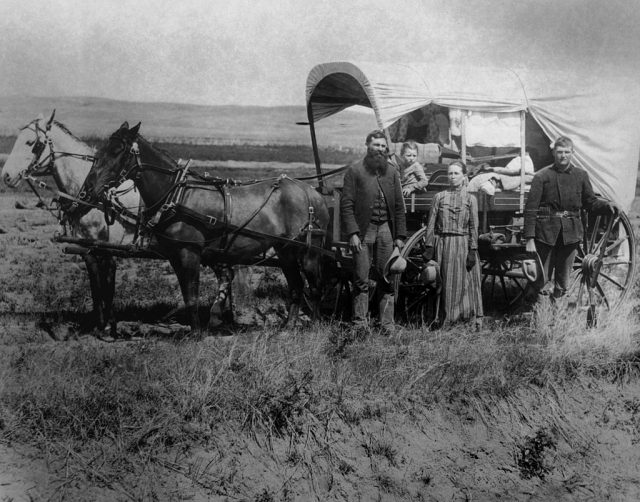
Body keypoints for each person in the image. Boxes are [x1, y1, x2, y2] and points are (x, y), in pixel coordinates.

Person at [524, 136, 617, 299]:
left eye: (567, 152)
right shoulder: (542, 176)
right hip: (546, 233)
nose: (563, 156)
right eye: (559, 152)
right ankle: (540, 314)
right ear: (553, 153)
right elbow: (531, 209)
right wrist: (530, 238)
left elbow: (590, 202)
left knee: (563, 280)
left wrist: (606, 206)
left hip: (571, 234)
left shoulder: (581, 175)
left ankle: (557, 313)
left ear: (572, 153)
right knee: (541, 279)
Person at [341, 130, 407, 334]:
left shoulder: (392, 172)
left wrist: (400, 236)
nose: (380, 149)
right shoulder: (355, 171)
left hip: (386, 230)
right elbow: (347, 205)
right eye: (376, 145)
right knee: (361, 279)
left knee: (386, 279)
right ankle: (360, 324)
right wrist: (352, 233)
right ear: (367, 145)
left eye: (382, 146)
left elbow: (398, 206)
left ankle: (387, 325)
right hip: (364, 231)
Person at [423, 161, 483, 326]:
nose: (452, 177)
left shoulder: (471, 199)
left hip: (463, 244)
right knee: (444, 282)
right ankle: (443, 319)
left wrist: (473, 250)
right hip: (444, 244)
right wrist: (429, 246)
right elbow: (431, 224)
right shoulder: (439, 197)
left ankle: (465, 318)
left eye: (456, 173)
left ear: (464, 176)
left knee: (464, 282)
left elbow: (473, 226)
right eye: (450, 173)